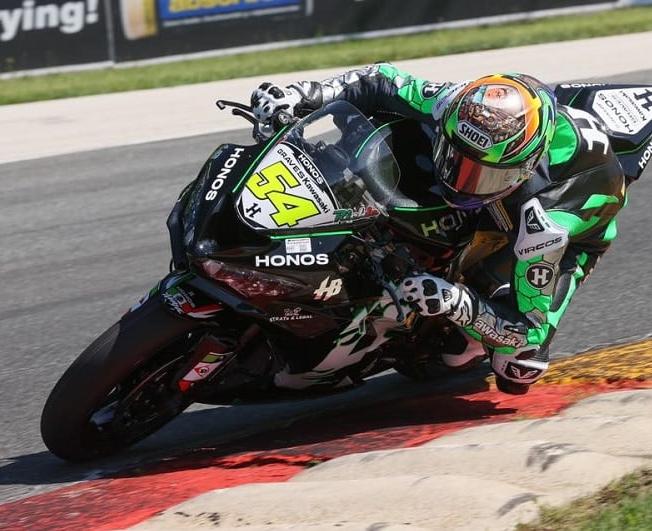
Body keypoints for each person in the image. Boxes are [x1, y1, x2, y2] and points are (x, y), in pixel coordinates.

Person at [250, 63, 626, 395]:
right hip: (508, 171)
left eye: (481, 175)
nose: (461, 181)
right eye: (455, 159)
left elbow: (526, 331)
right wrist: (303, 94)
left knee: (517, 368)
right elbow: (380, 80)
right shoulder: (459, 106)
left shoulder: (544, 227)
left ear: (522, 171)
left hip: (568, 227)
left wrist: (458, 303)